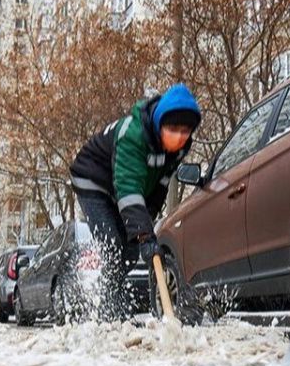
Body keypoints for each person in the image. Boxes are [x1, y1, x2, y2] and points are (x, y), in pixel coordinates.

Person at [70, 84, 202, 320]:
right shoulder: (133, 134)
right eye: (173, 128)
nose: (180, 136)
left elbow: (158, 187)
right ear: (160, 122)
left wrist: (145, 231)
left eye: (186, 130)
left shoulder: (180, 148)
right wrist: (144, 233)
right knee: (113, 244)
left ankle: (110, 302)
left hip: (123, 187)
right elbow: (129, 187)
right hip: (94, 180)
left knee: (131, 251)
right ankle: (108, 314)